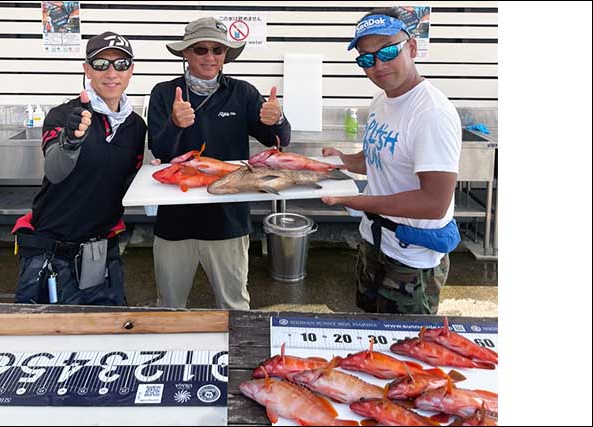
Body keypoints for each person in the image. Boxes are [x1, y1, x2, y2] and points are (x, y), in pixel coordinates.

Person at [321, 8, 462, 315]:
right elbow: (378, 160)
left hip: (411, 259)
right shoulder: (382, 101)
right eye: (366, 59)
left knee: (403, 349)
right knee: (369, 332)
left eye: (387, 51)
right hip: (375, 242)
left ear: (411, 48)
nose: (378, 65)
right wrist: (345, 161)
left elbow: (434, 202)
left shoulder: (431, 114)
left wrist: (360, 201)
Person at [148, 17, 292, 310]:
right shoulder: (164, 93)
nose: (210, 57)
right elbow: (159, 151)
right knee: (169, 307)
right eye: (200, 50)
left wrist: (278, 119)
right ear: (185, 53)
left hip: (228, 220)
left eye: (218, 50)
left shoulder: (243, 92)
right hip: (174, 221)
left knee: (234, 307)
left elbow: (277, 142)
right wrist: (176, 124)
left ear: (226, 54)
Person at [12, 31, 147, 306]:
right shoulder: (64, 116)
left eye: (121, 64)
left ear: (131, 71)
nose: (111, 72)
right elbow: (55, 169)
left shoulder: (136, 126)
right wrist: (71, 140)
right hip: (50, 253)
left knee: (108, 332)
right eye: (101, 64)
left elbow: (128, 182)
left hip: (102, 252)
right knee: (45, 339)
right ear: (87, 69)